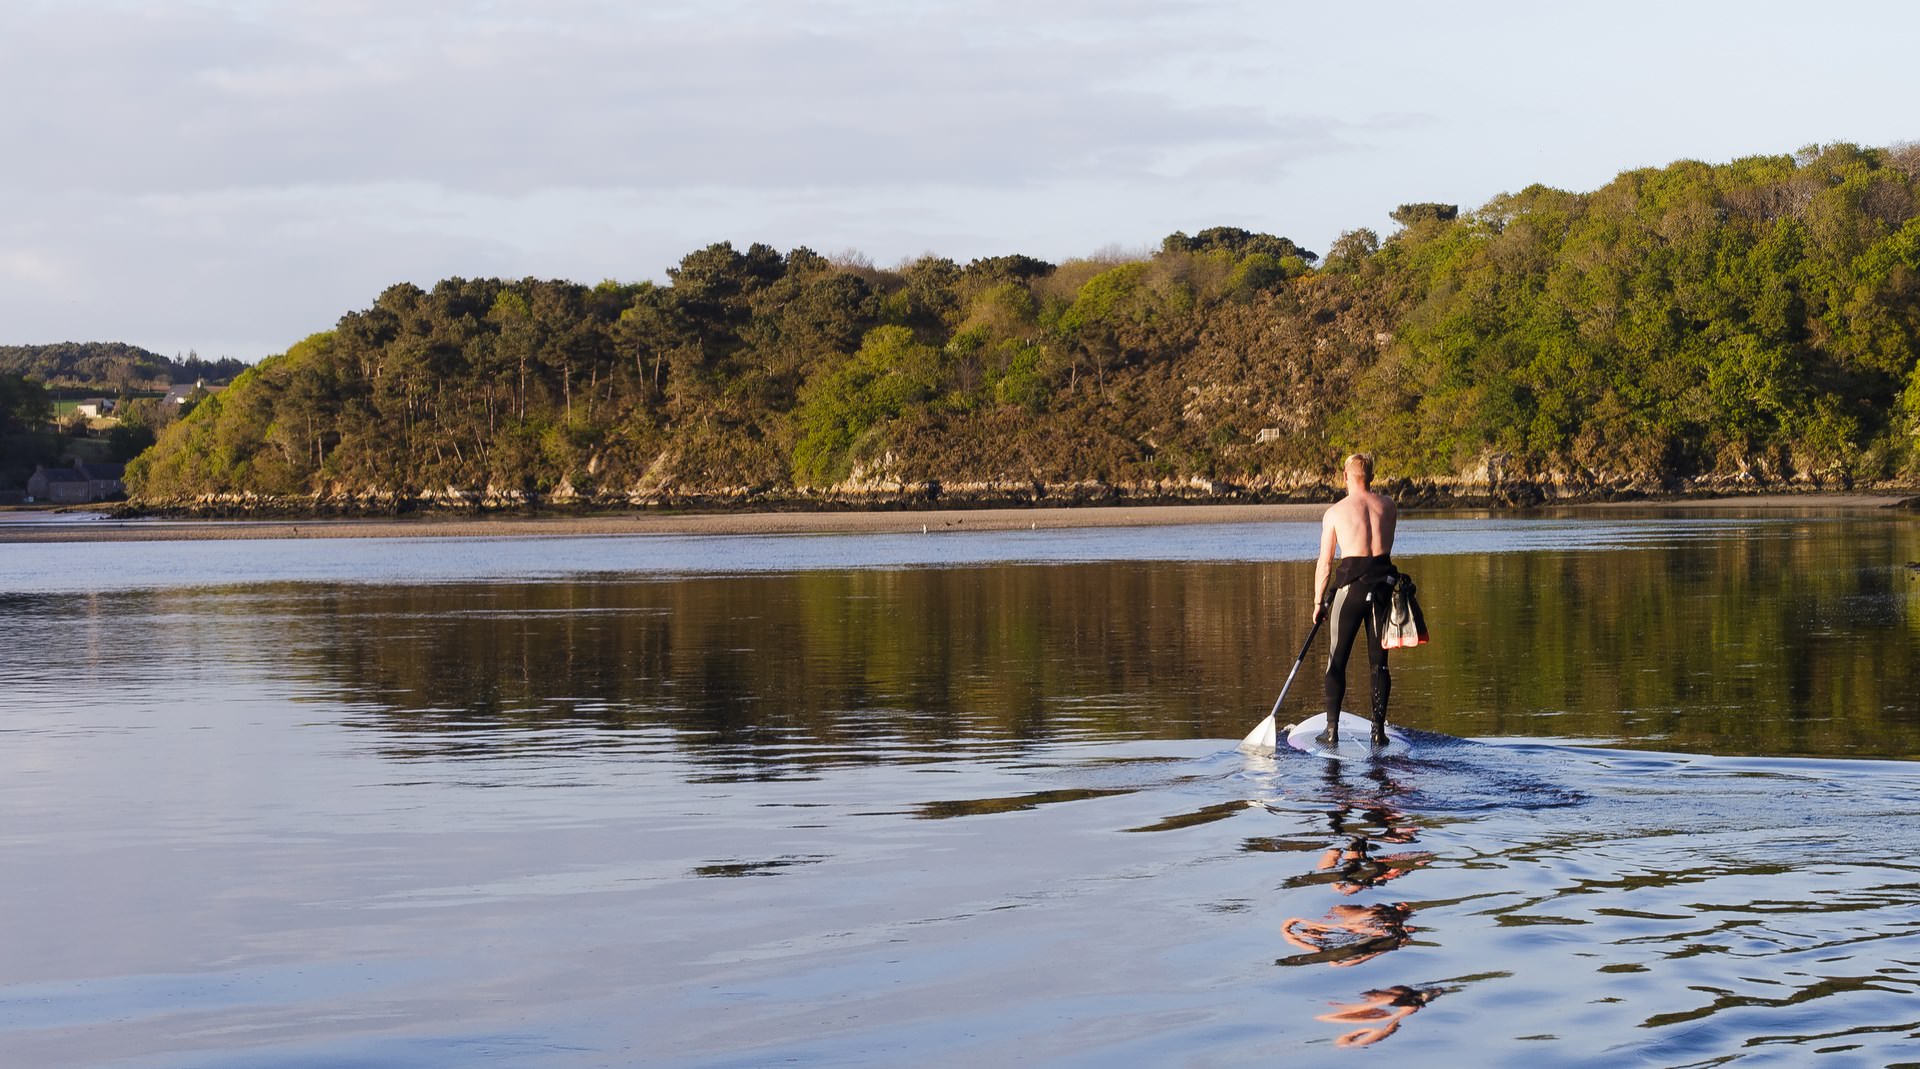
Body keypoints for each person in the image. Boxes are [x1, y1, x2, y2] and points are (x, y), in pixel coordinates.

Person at [1310, 453, 1398, 747]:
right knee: (1379, 665)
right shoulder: (1388, 506)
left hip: (1350, 592)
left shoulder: (1335, 513)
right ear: (1371, 477)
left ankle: (1331, 732)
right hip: (1384, 591)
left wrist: (1318, 602)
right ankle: (1378, 731)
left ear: (1344, 477)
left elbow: (1325, 563)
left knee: (1336, 662)